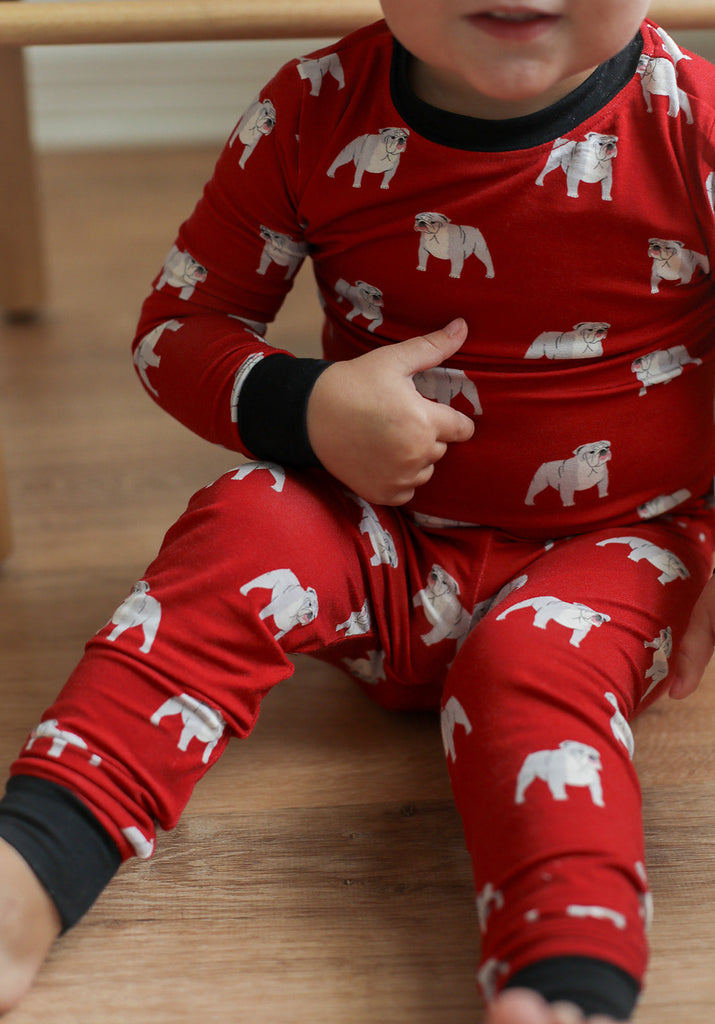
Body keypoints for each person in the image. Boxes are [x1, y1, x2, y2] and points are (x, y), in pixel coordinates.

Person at [0, 1, 714, 1021]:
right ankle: (30, 865)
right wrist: (309, 408)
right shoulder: (310, 111)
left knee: (529, 670)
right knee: (243, 520)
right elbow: (181, 327)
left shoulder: (692, 123)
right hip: (382, 540)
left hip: (619, 547)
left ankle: (566, 977)